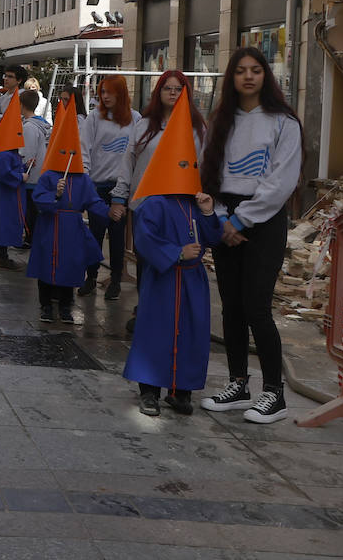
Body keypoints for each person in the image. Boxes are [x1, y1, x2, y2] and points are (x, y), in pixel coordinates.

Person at [199, 47, 303, 424]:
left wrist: (240, 222)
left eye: (255, 70)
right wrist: (223, 219)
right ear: (232, 77)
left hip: (264, 222)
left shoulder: (283, 122)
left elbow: (280, 183)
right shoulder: (220, 122)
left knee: (257, 307)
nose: (248, 76)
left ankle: (274, 395)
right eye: (241, 70)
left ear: (265, 76)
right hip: (226, 218)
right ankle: (238, 385)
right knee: (232, 308)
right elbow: (209, 173)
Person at [122, 88, 222, 417]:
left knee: (190, 335)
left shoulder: (196, 204)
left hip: (192, 283)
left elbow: (213, 237)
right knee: (156, 331)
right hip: (163, 279)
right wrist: (176, 252)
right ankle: (149, 389)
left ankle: (181, 391)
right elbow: (145, 238)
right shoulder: (154, 204)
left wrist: (208, 214)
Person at [27, 100, 106, 324]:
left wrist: (111, 213)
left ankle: (65, 306)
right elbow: (39, 200)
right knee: (46, 266)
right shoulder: (49, 176)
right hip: (49, 227)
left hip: (72, 229)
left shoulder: (82, 179)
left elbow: (93, 201)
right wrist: (55, 196)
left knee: (70, 267)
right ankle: (45, 305)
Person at [81, 76, 137, 300]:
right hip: (97, 186)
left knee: (117, 237)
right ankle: (91, 277)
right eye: (102, 92)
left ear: (120, 93)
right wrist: (85, 180)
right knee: (94, 234)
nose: (105, 96)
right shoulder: (94, 117)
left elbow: (136, 154)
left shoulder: (135, 119)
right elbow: (84, 148)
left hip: (121, 189)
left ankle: (115, 280)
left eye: (110, 92)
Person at [0, 91, 28, 270]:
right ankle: (1, 256)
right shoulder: (4, 154)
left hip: (8, 194)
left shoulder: (8, 152)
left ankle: (2, 255)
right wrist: (21, 176)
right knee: (4, 224)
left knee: (7, 224)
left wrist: (24, 168)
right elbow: (4, 173)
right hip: (5, 195)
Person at [19, 89, 51, 245]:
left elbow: (27, 153)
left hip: (31, 175)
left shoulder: (29, 128)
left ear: (22, 105)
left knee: (30, 209)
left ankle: (30, 237)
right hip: (38, 173)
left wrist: (23, 169)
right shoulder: (40, 124)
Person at [0, 66, 28, 134]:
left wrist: (2, 118)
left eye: (10, 76)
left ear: (19, 80)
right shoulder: (1, 99)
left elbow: (25, 117)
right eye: (5, 76)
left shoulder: (25, 97)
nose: (6, 79)